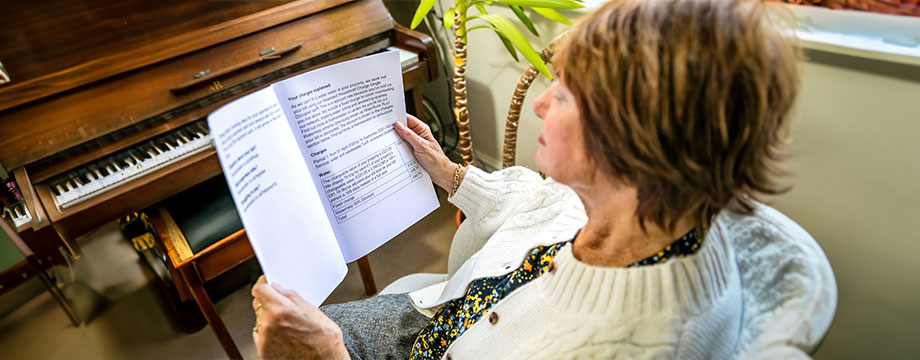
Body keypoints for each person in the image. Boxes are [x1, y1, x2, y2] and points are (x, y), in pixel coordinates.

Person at [250, 0, 802, 358]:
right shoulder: (653, 204)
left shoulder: (629, 344)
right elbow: (548, 203)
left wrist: (330, 357)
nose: (539, 104)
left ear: (631, 142)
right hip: (446, 315)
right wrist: (451, 174)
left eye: (561, 94)